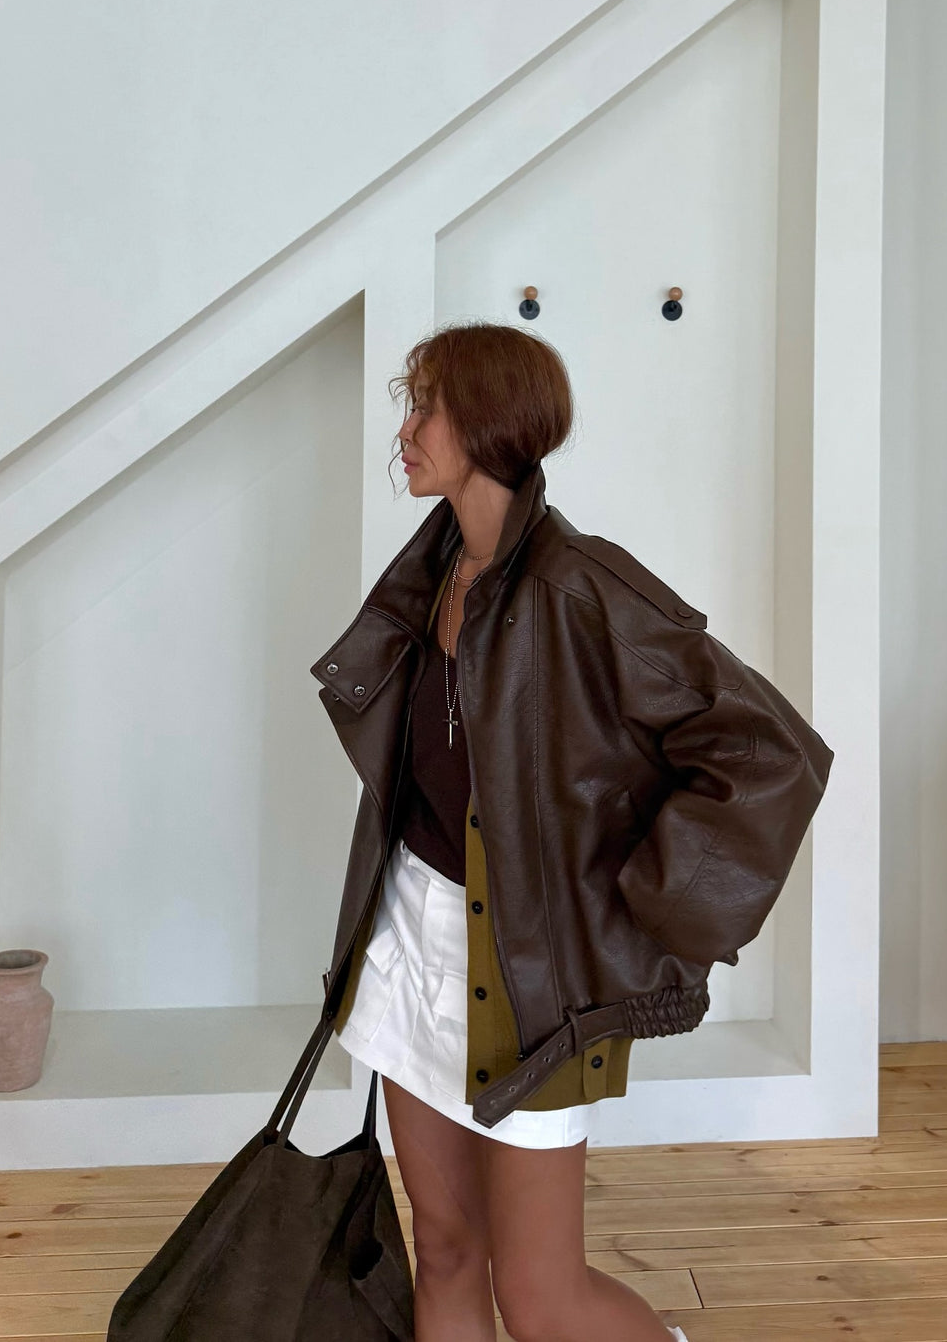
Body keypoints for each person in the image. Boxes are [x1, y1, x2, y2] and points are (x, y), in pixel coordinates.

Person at [329, 321, 713, 1342]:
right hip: (412, 940)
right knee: (446, 1250)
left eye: (425, 408)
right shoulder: (433, 570)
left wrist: (642, 903)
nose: (404, 431)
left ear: (487, 424)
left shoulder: (580, 585)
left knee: (540, 1297)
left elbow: (758, 749)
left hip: (530, 977)